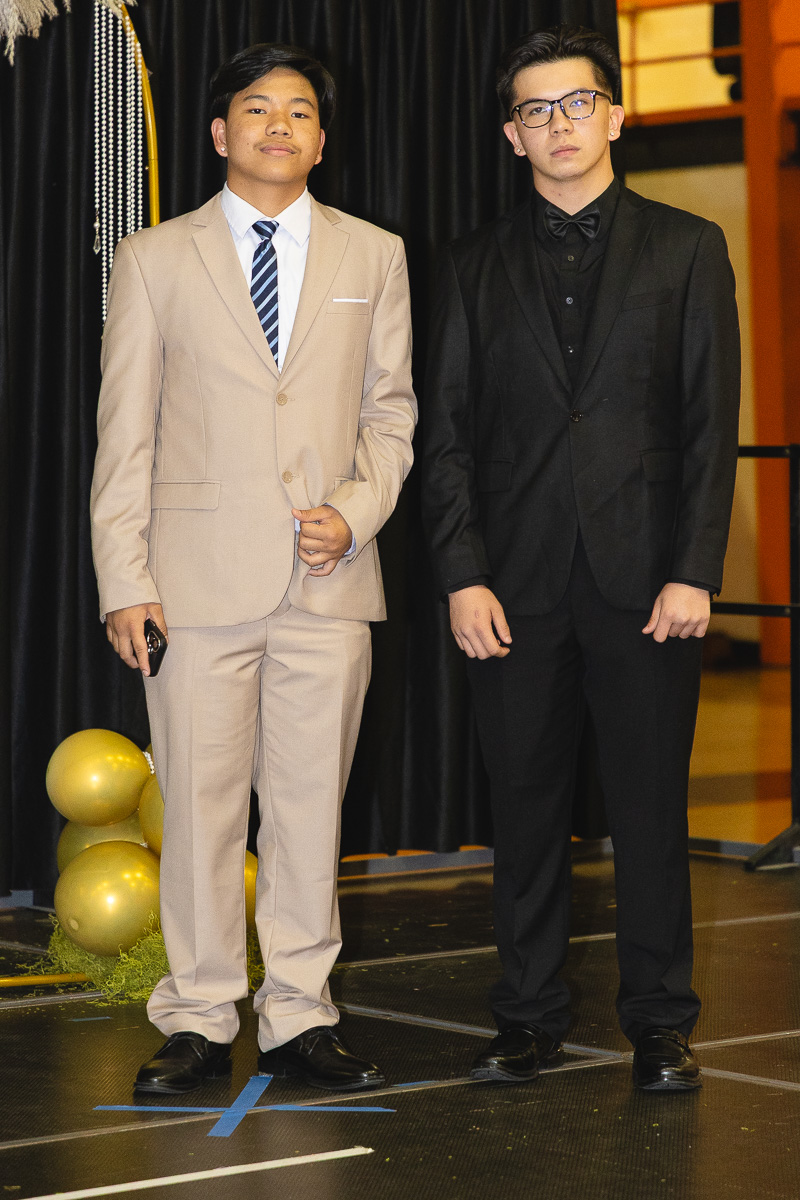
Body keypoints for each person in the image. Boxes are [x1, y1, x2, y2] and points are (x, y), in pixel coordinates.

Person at [91, 43, 416, 1095]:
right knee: (199, 808)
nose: (281, 124)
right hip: (192, 582)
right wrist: (123, 578)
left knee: (312, 810)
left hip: (328, 581)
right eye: (259, 108)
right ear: (220, 132)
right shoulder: (154, 257)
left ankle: (299, 1017)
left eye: (301, 111)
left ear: (322, 139)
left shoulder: (374, 255)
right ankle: (196, 1017)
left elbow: (392, 416)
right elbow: (124, 433)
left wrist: (355, 514)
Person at [422, 24, 740, 1091]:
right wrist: (461, 573)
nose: (557, 124)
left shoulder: (688, 247)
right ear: (511, 136)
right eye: (534, 110)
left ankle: (661, 1025)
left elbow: (709, 422)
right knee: (523, 812)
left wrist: (695, 567)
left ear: (614, 115)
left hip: (648, 581)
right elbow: (444, 435)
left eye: (576, 103)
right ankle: (526, 1016)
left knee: (649, 813)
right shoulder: (467, 264)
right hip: (510, 587)